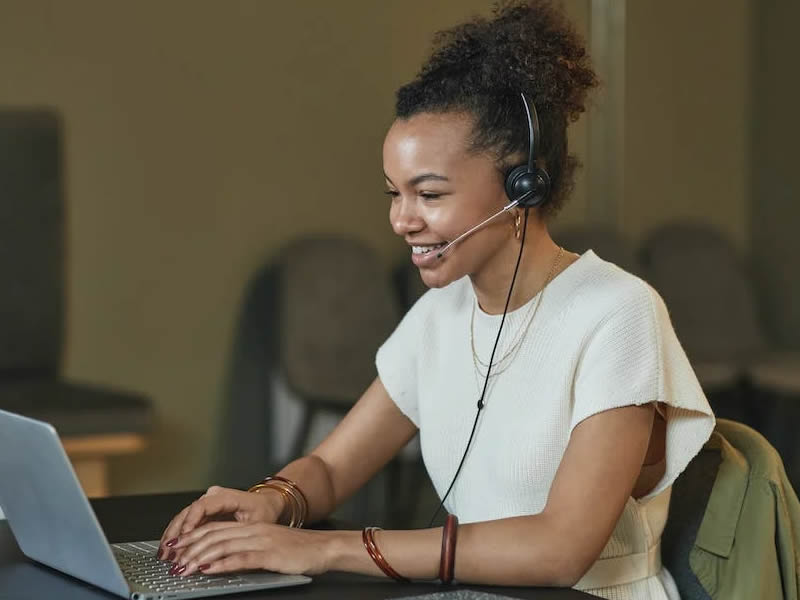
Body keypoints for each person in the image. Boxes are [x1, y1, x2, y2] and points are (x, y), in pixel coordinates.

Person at [157, 2, 714, 598]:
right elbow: (330, 467)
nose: (402, 219)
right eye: (395, 193)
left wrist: (326, 548)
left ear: (524, 185)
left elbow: (559, 551)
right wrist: (268, 504)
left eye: (429, 194)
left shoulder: (619, 313)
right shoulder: (439, 314)